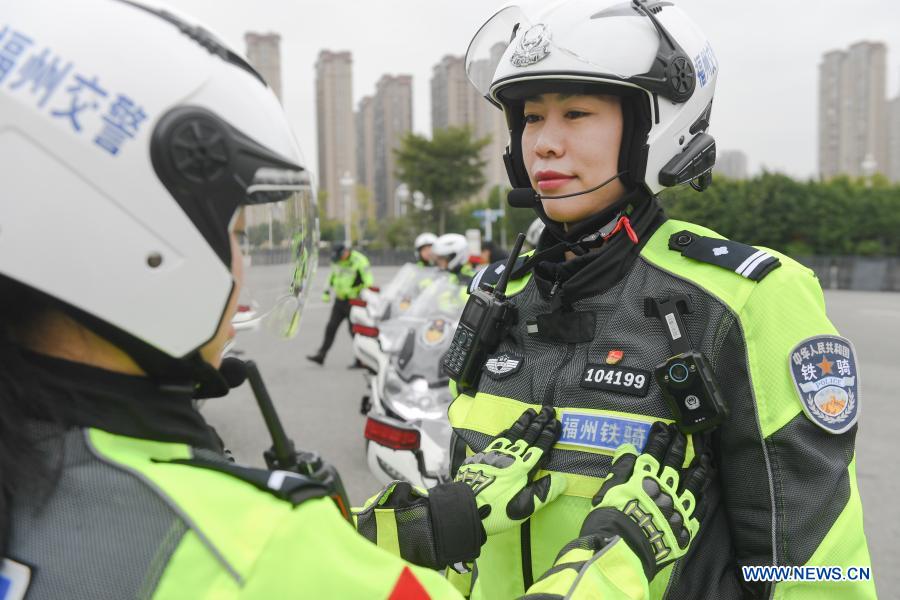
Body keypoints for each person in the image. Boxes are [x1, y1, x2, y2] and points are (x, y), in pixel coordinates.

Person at [0, 2, 715, 598]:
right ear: (131, 241)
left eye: (578, 114)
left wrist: (431, 521)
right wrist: (616, 557)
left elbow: (807, 552)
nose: (547, 143)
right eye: (238, 234)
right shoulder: (258, 548)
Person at [449, 1, 876, 598]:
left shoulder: (743, 300)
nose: (543, 143)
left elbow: (813, 567)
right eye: (529, 118)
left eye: (575, 113)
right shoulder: (499, 294)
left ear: (654, 127)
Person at [306, 241, 373, 366]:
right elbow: (332, 275)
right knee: (331, 327)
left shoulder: (360, 261)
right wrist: (326, 291)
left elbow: (368, 280)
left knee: (354, 331)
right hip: (340, 300)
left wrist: (365, 295)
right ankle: (321, 355)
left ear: (346, 252)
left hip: (354, 301)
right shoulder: (337, 260)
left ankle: (361, 360)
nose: (337, 260)